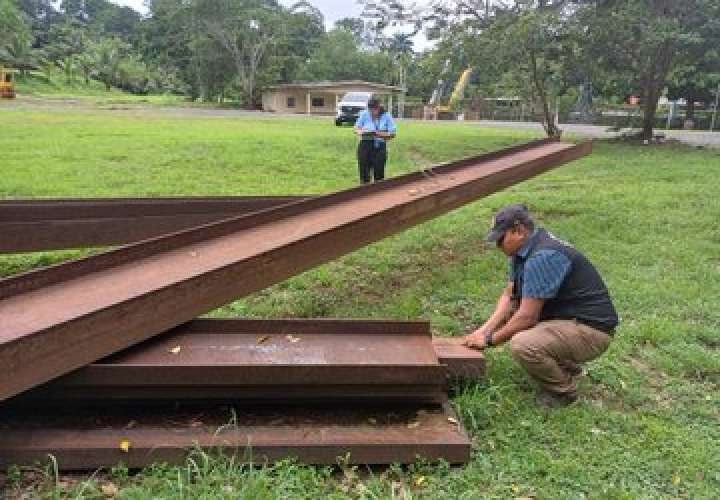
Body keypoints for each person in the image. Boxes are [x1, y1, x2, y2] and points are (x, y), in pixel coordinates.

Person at [464, 204, 618, 408]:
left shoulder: (543, 257)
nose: (498, 246)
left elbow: (527, 317)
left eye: (500, 239)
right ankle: (568, 367)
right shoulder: (525, 249)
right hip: (569, 320)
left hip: (592, 331)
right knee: (513, 316)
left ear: (518, 231)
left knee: (523, 343)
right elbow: (510, 295)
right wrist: (483, 331)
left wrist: (490, 341)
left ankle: (563, 392)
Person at [354, 98, 397, 184]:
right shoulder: (364, 114)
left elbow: (392, 134)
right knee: (364, 173)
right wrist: (360, 132)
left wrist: (377, 134)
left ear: (379, 107)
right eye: (370, 110)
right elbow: (356, 128)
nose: (372, 112)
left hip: (379, 147)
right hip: (365, 146)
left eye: (374, 110)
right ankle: (364, 193)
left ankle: (378, 194)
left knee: (379, 175)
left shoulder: (387, 116)